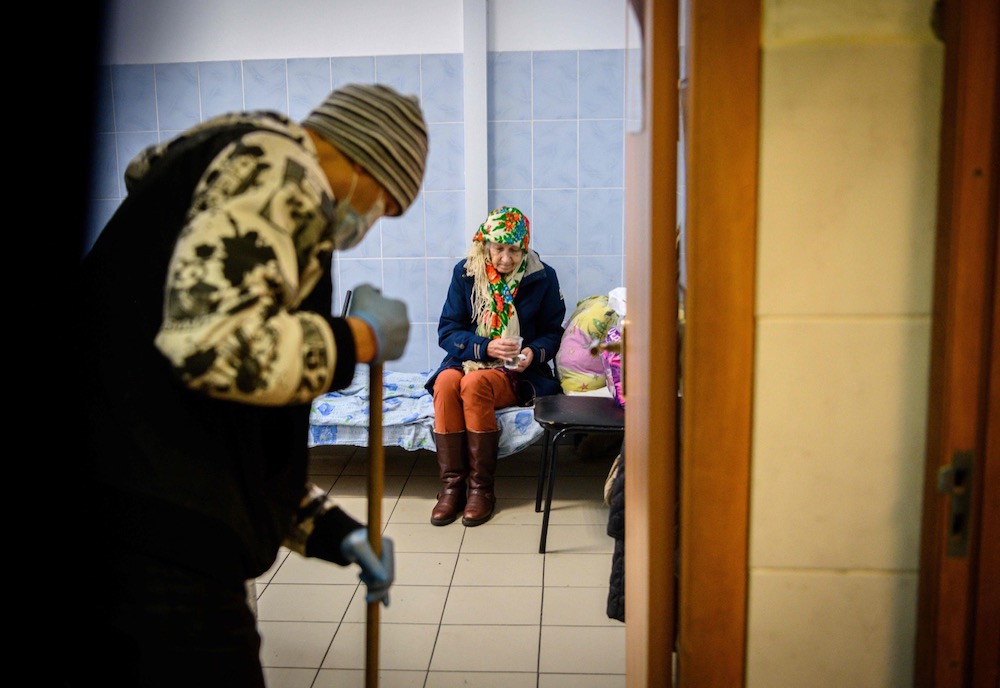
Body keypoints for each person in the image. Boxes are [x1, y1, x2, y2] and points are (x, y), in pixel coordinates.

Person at [66, 83, 429, 687]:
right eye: (387, 204)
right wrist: (355, 339)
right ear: (367, 160)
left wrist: (334, 533)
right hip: (154, 544)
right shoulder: (278, 167)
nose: (373, 221)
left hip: (144, 521)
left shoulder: (215, 183)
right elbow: (213, 350)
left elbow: (228, 430)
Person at [424, 206, 566, 527]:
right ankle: (451, 487)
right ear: (485, 244)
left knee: (475, 385)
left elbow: (553, 334)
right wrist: (485, 346)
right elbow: (447, 331)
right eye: (498, 248)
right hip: (468, 360)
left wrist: (533, 352)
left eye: (513, 249)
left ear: (524, 248)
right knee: (446, 384)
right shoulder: (466, 273)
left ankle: (481, 489)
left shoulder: (542, 276)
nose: (505, 258)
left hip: (518, 372)